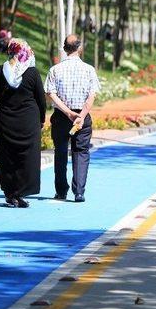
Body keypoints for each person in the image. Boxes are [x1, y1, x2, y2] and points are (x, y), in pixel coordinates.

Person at [0, 39, 46, 208]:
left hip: (5, 122)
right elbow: (41, 99)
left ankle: (10, 194)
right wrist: (41, 118)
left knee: (7, 158)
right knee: (27, 157)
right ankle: (20, 192)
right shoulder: (32, 73)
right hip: (28, 122)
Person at [44, 35, 100, 203]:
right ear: (79, 48)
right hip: (82, 118)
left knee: (60, 152)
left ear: (64, 48)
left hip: (62, 117)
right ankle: (79, 192)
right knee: (81, 152)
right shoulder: (89, 70)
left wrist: (68, 112)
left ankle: (61, 191)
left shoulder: (55, 70)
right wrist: (81, 116)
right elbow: (92, 95)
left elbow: (50, 93)